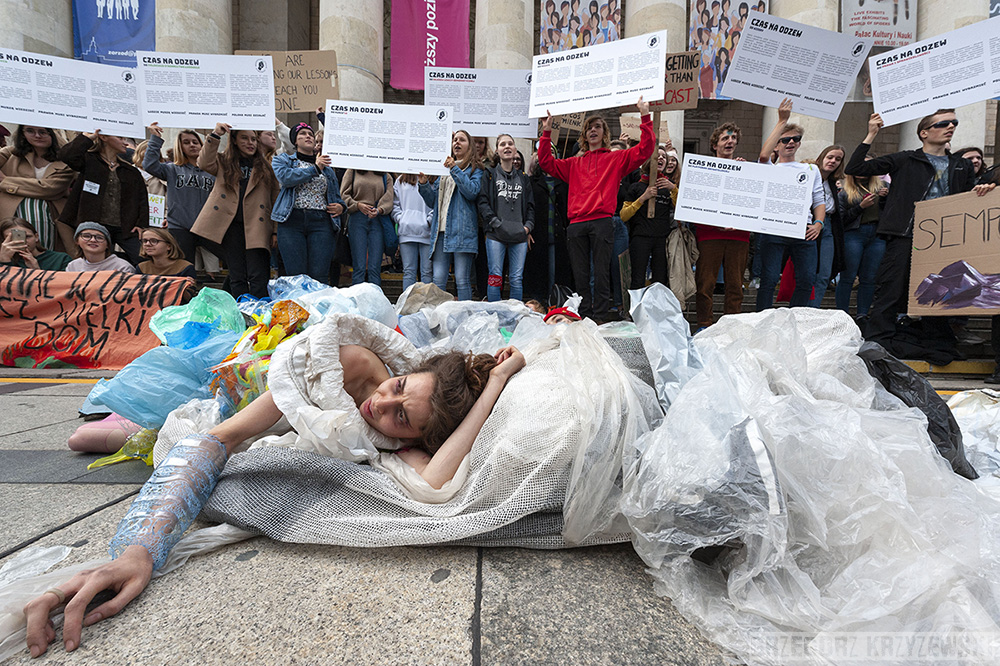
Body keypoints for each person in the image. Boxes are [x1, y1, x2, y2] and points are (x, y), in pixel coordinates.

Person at [21, 320, 526, 658]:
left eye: (401, 420)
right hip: (243, 402)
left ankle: (136, 434)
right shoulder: (342, 365)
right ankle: (139, 432)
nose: (381, 406)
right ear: (405, 372)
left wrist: (497, 384)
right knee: (136, 437)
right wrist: (139, 550)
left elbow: (433, 483)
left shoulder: (409, 432)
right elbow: (225, 437)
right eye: (397, 390)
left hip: (275, 435)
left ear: (419, 435)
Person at [843, 110, 994, 348]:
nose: (950, 127)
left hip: (946, 239)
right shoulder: (905, 159)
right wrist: (872, 133)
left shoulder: (961, 165)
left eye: (954, 123)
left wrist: (982, 189)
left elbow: (968, 198)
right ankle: (879, 340)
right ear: (924, 133)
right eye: (943, 123)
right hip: (905, 234)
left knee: (941, 290)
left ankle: (936, 341)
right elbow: (856, 166)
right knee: (892, 288)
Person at [538, 97, 653, 321]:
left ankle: (599, 317)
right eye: (589, 128)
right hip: (577, 224)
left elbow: (646, 149)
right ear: (584, 135)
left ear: (604, 133)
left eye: (597, 127)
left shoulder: (615, 159)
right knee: (581, 276)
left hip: (602, 221)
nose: (593, 130)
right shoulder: (573, 163)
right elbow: (545, 162)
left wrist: (645, 115)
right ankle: (584, 316)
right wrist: (546, 131)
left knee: (601, 273)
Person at [193, 123, 280, 298]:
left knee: (258, 275)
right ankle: (240, 313)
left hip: (257, 226)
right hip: (230, 226)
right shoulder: (224, 162)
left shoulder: (266, 167)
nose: (251, 143)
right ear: (233, 140)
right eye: (244, 138)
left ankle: (259, 314)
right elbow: (203, 162)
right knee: (237, 274)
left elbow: (275, 199)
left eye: (254, 139)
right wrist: (217, 133)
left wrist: (275, 231)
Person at [755, 99, 825, 311]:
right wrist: (782, 121)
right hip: (774, 228)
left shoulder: (811, 170)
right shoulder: (769, 167)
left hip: (802, 230)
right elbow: (763, 155)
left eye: (795, 139)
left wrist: (819, 223)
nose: (791, 143)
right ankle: (763, 317)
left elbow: (819, 200)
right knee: (768, 278)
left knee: (806, 278)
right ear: (777, 144)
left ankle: (797, 317)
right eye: (785, 140)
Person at [58, 130, 149, 265]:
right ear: (104, 137)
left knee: (142, 258)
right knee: (99, 260)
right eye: (120, 137)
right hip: (94, 224)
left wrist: (141, 225)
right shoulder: (89, 161)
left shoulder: (130, 171)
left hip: (124, 226)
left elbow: (142, 199)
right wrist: (88, 138)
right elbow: (66, 156)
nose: (125, 142)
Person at [272, 123, 346, 285]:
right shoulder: (282, 160)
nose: (308, 136)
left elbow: (336, 196)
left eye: (311, 135)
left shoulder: (327, 168)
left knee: (319, 274)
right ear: (295, 141)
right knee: (296, 275)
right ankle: (300, 309)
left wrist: (341, 207)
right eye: (302, 134)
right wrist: (315, 168)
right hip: (292, 221)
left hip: (321, 222)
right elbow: (286, 178)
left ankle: (316, 309)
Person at [694, 122, 750, 329]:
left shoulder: (745, 169)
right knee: (705, 284)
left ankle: (731, 325)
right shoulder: (702, 170)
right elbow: (695, 204)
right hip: (709, 234)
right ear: (715, 144)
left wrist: (744, 171)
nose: (731, 141)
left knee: (735, 285)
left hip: (739, 235)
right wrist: (715, 224)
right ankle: (704, 323)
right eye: (725, 138)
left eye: (734, 138)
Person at [419, 130, 484, 301]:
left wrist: (454, 168)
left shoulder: (475, 170)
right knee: (438, 279)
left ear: (469, 146)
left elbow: (472, 191)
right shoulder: (444, 171)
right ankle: (438, 318)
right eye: (455, 139)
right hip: (440, 232)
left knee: (462, 280)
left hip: (462, 232)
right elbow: (433, 201)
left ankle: (464, 319)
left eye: (462, 140)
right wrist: (424, 184)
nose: (457, 142)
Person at [142, 124, 216, 264]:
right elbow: (149, 165)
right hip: (180, 226)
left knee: (233, 261)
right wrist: (155, 139)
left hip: (207, 226)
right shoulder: (172, 169)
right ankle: (187, 287)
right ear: (179, 147)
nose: (192, 145)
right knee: (184, 265)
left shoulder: (213, 171)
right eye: (186, 142)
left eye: (195, 142)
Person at [476, 134, 534, 302]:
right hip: (496, 235)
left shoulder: (523, 178)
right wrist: (495, 223)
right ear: (497, 150)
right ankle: (495, 315)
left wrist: (528, 227)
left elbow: (530, 206)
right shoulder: (490, 175)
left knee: (516, 279)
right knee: (495, 277)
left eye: (510, 143)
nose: (507, 146)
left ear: (515, 149)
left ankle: (514, 317)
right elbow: (483, 202)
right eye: (503, 144)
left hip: (519, 235)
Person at [0, 126, 75, 253]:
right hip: (11, 216)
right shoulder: (11, 153)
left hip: (50, 218)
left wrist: (5, 181)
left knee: (44, 254)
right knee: (13, 254)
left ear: (54, 133)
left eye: (43, 132)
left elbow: (49, 189)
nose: (37, 136)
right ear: (22, 134)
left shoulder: (66, 160)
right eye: (30, 131)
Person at [836, 160, 887, 319]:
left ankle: (862, 314)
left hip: (877, 235)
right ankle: (842, 315)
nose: (862, 171)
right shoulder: (845, 191)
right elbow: (842, 220)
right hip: (854, 234)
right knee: (848, 276)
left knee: (869, 278)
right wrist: (860, 207)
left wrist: (885, 199)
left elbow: (891, 212)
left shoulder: (883, 186)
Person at [625, 144, 675, 290]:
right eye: (657, 155)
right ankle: (636, 311)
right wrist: (643, 198)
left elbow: (681, 210)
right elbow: (624, 215)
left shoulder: (670, 187)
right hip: (640, 238)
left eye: (664, 157)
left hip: (661, 239)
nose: (661, 158)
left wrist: (673, 189)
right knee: (638, 278)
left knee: (660, 280)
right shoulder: (636, 187)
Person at [807, 144, 845, 308]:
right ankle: (800, 309)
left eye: (838, 159)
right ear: (821, 157)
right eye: (830, 157)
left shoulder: (833, 183)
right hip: (808, 225)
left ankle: (812, 310)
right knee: (807, 273)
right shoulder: (808, 176)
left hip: (829, 226)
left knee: (824, 273)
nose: (833, 161)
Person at [341, 168, 393, 286]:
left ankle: (375, 299)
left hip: (377, 218)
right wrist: (357, 205)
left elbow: (389, 199)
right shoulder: (352, 171)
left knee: (375, 267)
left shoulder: (385, 175)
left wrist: (379, 210)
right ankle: (358, 300)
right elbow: (343, 195)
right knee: (359, 265)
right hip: (357, 217)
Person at [393, 173, 434, 291]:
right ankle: (408, 305)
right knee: (409, 271)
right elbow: (395, 204)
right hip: (406, 231)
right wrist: (401, 219)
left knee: (426, 272)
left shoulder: (433, 177)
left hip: (426, 232)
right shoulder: (401, 180)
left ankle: (427, 304)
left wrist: (429, 220)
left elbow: (436, 202)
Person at [0, 216, 72, 271]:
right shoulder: (3, 260)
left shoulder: (60, 259)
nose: (22, 241)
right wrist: (4, 261)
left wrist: (36, 270)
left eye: (27, 236)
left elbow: (63, 288)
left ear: (36, 237)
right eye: (12, 238)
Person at [65, 222, 136, 273]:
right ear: (77, 241)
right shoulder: (73, 266)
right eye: (86, 236)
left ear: (107, 245)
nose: (93, 240)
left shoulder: (123, 267)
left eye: (99, 238)